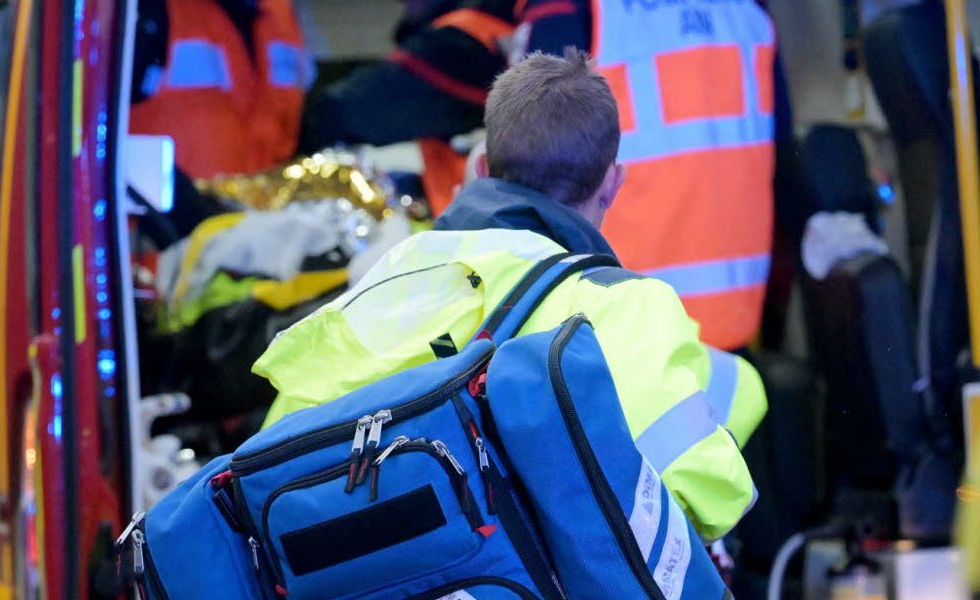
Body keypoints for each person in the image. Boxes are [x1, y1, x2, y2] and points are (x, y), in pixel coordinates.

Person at [256, 49, 761, 541]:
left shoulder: (383, 283)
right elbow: (707, 497)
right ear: (612, 183)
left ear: (480, 170)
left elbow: (270, 478)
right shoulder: (623, 307)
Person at [302, 0, 779, 352]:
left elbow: (532, 174)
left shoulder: (561, 12)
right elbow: (781, 177)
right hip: (732, 327)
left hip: (614, 328)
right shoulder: (748, 14)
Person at [130, 0, 314, 235]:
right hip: (160, 259)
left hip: (263, 252)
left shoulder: (282, 15)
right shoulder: (145, 13)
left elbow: (292, 134)